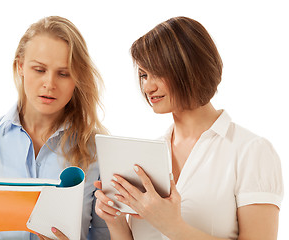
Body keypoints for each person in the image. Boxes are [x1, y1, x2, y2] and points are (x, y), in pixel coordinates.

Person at [94, 16, 283, 240]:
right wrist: (115, 221)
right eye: (144, 75)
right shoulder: (148, 156)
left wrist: (173, 226)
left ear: (192, 68)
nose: (147, 86)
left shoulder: (251, 151)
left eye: (158, 73)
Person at [0, 16, 110, 240]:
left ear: (77, 79)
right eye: (39, 70)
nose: (50, 83)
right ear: (20, 66)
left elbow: (106, 235)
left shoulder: (98, 150)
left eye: (64, 73)